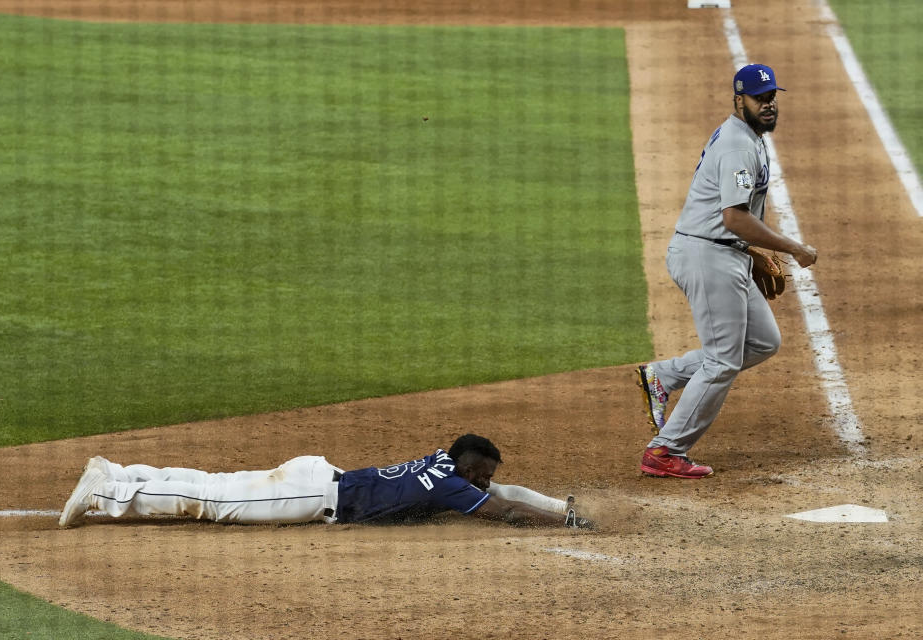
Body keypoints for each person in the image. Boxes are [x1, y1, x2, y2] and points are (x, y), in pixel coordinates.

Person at [635, 63, 818, 479]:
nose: (769, 105)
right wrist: (793, 248)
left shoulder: (747, 136)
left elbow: (732, 223)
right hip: (707, 256)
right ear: (740, 100)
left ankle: (663, 375)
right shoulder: (738, 146)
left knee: (762, 342)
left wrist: (748, 252)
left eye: (772, 97)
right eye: (760, 98)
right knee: (722, 361)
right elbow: (733, 217)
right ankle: (665, 451)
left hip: (721, 251)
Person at [58, 433, 594, 529]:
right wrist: (561, 523)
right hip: (313, 494)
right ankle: (106, 491)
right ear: (465, 468)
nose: (484, 484)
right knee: (214, 500)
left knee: (215, 484)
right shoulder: (452, 486)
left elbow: (502, 492)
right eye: (481, 475)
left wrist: (560, 505)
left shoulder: (446, 464)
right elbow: (506, 508)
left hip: (317, 477)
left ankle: (120, 474)